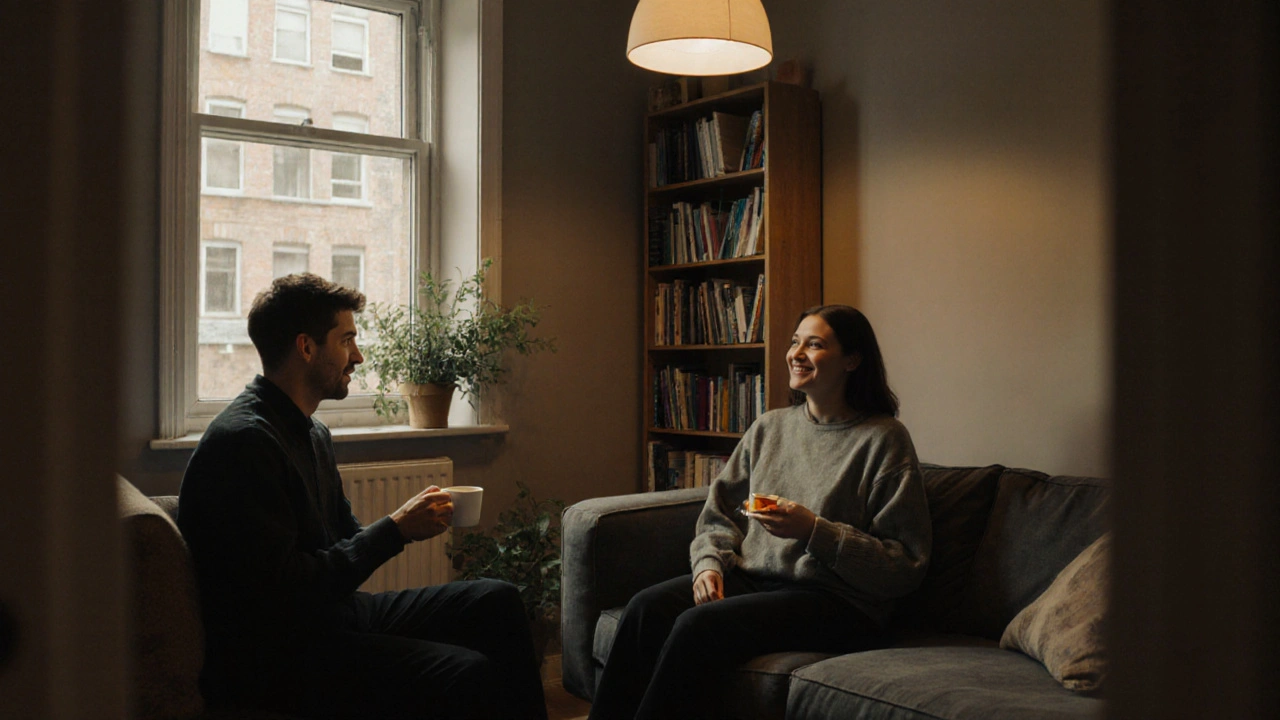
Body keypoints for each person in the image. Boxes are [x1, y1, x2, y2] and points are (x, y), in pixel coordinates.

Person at [178, 274, 547, 720]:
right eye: (346, 339)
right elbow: (285, 594)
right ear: (306, 347)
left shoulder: (312, 431)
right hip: (280, 655)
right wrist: (394, 530)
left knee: (497, 600)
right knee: (467, 672)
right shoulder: (244, 444)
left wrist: (408, 521)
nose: (358, 355)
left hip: (334, 617)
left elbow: (344, 538)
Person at [587, 305, 933, 720]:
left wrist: (813, 531)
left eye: (815, 344)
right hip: (754, 580)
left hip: (839, 602)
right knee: (644, 608)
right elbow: (720, 514)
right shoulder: (770, 428)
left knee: (699, 626)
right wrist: (709, 565)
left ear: (852, 360)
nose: (796, 353)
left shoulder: (884, 439)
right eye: (795, 341)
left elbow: (905, 564)